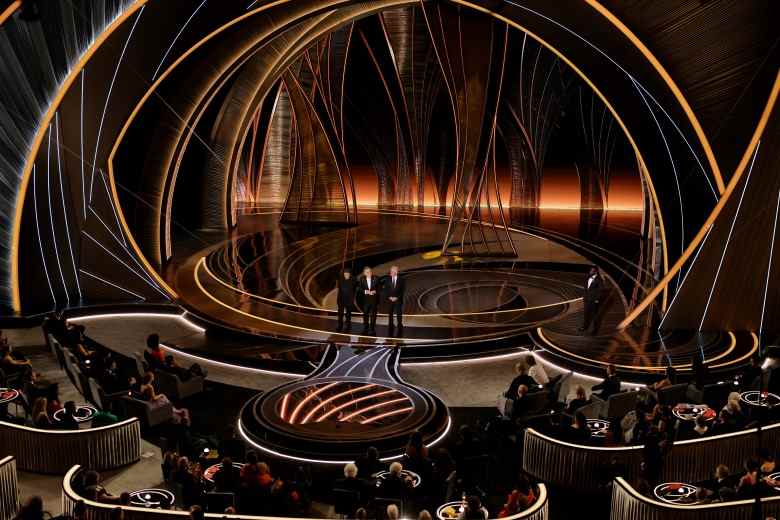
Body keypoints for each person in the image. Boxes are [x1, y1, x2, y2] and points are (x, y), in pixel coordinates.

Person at [580, 266, 604, 334]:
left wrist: (597, 299)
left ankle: (595, 330)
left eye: (592, 271)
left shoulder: (599, 280)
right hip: (586, 299)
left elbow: (601, 290)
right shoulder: (588, 277)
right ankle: (584, 327)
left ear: (596, 271)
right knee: (586, 314)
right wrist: (584, 296)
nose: (590, 272)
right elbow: (585, 287)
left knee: (594, 315)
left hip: (593, 301)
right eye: (590, 270)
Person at [384, 266, 405, 335]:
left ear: (397, 271)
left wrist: (397, 297)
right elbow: (385, 290)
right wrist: (389, 297)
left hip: (398, 299)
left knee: (399, 313)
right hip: (389, 299)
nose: (392, 272)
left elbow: (402, 290)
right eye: (391, 271)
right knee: (390, 313)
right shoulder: (387, 279)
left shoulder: (401, 279)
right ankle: (390, 324)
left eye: (393, 271)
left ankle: (399, 324)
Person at [358, 266, 379, 335]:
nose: (369, 273)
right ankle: (365, 327)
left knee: (373, 315)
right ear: (364, 273)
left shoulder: (376, 278)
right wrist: (365, 291)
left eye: (370, 271)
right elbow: (360, 289)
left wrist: (375, 291)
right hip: (365, 300)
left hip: (373, 300)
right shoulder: (361, 279)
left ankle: (372, 328)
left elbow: (380, 288)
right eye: (367, 272)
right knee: (365, 314)